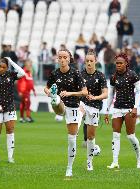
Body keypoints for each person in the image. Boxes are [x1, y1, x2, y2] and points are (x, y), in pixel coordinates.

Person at [44, 48, 87, 177]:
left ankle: (69, 168)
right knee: (56, 101)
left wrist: (70, 93)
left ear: (69, 59)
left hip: (74, 105)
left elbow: (85, 92)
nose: (62, 60)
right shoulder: (54, 74)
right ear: (57, 59)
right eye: (60, 57)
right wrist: (48, 92)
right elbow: (46, 87)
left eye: (65, 57)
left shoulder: (76, 73)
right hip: (63, 106)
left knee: (72, 139)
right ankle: (55, 99)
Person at [105, 52, 140, 169]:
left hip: (129, 109)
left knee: (131, 136)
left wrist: (136, 107)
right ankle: (115, 162)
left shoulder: (133, 75)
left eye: (120, 63)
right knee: (115, 135)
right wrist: (107, 110)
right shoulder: (113, 77)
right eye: (117, 63)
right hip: (117, 108)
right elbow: (111, 94)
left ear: (126, 63)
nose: (118, 65)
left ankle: (139, 157)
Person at [0, 57, 25, 163]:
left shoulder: (11, 74)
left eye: (4, 67)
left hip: (9, 106)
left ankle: (10, 157)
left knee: (10, 130)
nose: (1, 69)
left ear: (7, 68)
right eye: (0, 66)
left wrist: (12, 62)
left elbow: (22, 73)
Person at [79, 49, 108, 171]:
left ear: (96, 61)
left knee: (91, 137)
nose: (89, 63)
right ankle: (76, 126)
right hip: (82, 103)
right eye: (87, 61)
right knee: (79, 113)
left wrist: (95, 97)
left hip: (95, 106)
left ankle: (89, 162)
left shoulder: (100, 75)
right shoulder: (80, 75)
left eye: (91, 61)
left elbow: (105, 94)